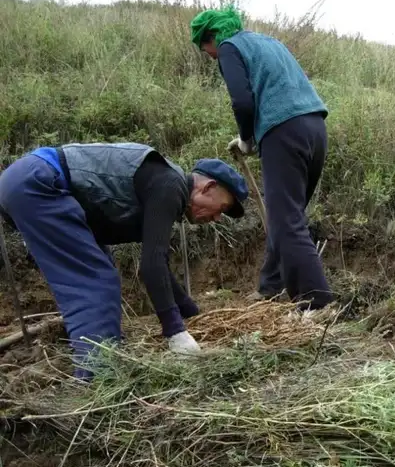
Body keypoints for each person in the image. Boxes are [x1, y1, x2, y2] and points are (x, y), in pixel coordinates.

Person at [0, 143, 249, 380]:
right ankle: (96, 379)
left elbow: (157, 264)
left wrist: (190, 312)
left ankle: (104, 353)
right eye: (221, 208)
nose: (217, 218)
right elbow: (151, 264)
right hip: (40, 183)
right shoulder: (170, 185)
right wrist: (176, 334)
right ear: (208, 187)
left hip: (30, 182)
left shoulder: (164, 185)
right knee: (95, 282)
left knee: (101, 267)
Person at [189, 5, 334, 311]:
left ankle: (316, 304)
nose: (210, 55)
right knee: (286, 216)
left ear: (211, 37)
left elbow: (242, 101)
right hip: (315, 128)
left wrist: (245, 139)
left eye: (206, 49)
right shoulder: (269, 42)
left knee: (287, 221)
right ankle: (271, 286)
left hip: (283, 130)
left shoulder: (229, 47)